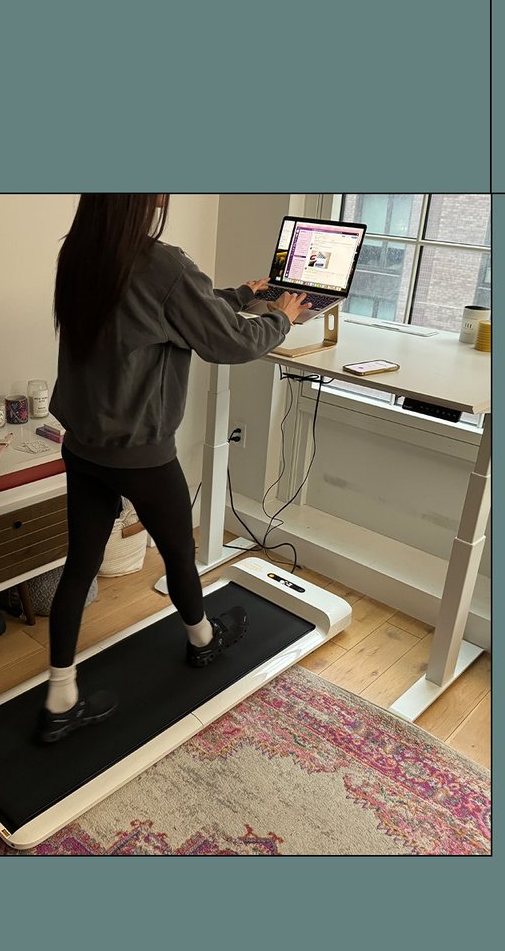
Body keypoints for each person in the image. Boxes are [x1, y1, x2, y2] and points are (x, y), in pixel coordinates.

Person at [40, 194, 313, 742]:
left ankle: (60, 697)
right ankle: (203, 641)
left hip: (84, 445)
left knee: (80, 565)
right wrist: (282, 317)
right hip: (140, 454)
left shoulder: (80, 252)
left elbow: (167, 309)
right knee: (179, 552)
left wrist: (241, 295)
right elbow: (230, 341)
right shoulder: (161, 263)